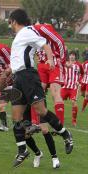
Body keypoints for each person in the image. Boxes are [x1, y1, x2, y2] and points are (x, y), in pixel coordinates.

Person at [8, 9, 73, 167]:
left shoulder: (26, 31)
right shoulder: (20, 36)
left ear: (14, 21)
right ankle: (22, 150)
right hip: (18, 78)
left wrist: (50, 59)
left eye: (10, 22)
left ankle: (65, 134)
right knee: (16, 117)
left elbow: (45, 45)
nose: (9, 25)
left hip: (29, 77)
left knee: (41, 111)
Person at [34, 23, 66, 125]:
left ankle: (59, 124)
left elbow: (59, 41)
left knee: (55, 91)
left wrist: (61, 60)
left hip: (54, 63)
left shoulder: (42, 28)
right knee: (37, 91)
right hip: (41, 65)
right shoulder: (30, 34)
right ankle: (35, 122)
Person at [61, 51, 83, 126]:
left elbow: (82, 74)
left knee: (74, 103)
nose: (72, 56)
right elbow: (62, 72)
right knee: (59, 102)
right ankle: (61, 118)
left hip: (73, 87)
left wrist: (79, 81)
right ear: (69, 56)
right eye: (71, 55)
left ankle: (74, 120)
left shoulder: (79, 65)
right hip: (65, 86)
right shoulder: (65, 63)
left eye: (73, 55)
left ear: (75, 57)